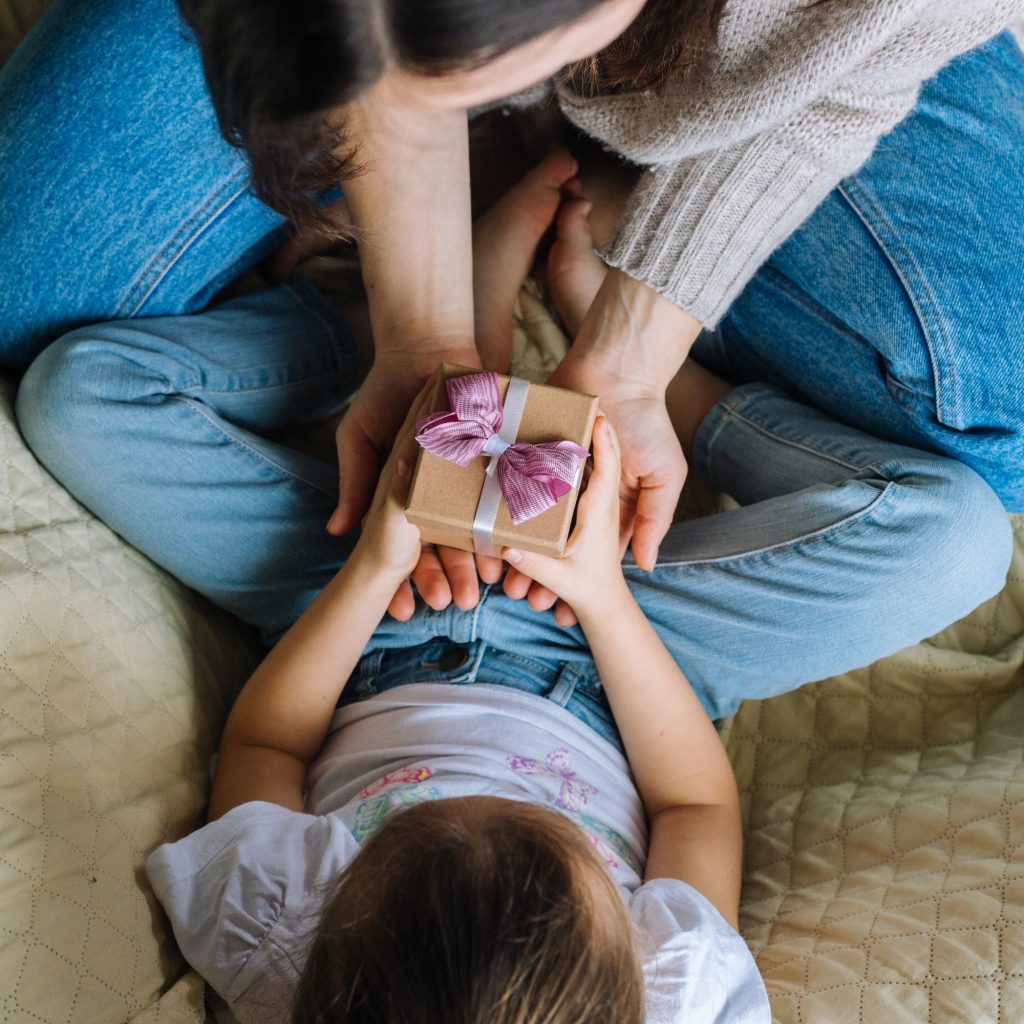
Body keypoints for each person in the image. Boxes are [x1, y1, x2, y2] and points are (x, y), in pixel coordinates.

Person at [124, 176, 1007, 1024]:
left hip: (358, 636)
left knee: (90, 393)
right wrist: (600, 598)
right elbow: (692, 806)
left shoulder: (272, 945)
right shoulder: (680, 992)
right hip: (613, 671)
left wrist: (376, 563)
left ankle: (414, 351)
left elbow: (267, 739)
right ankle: (663, 394)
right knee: (958, 539)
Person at [2, 0, 1020, 620]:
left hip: (784, 45)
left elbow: (846, 79)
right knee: (22, 300)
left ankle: (580, 186)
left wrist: (636, 349)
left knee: (1002, 431)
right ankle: (501, 203)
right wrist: (419, 331)